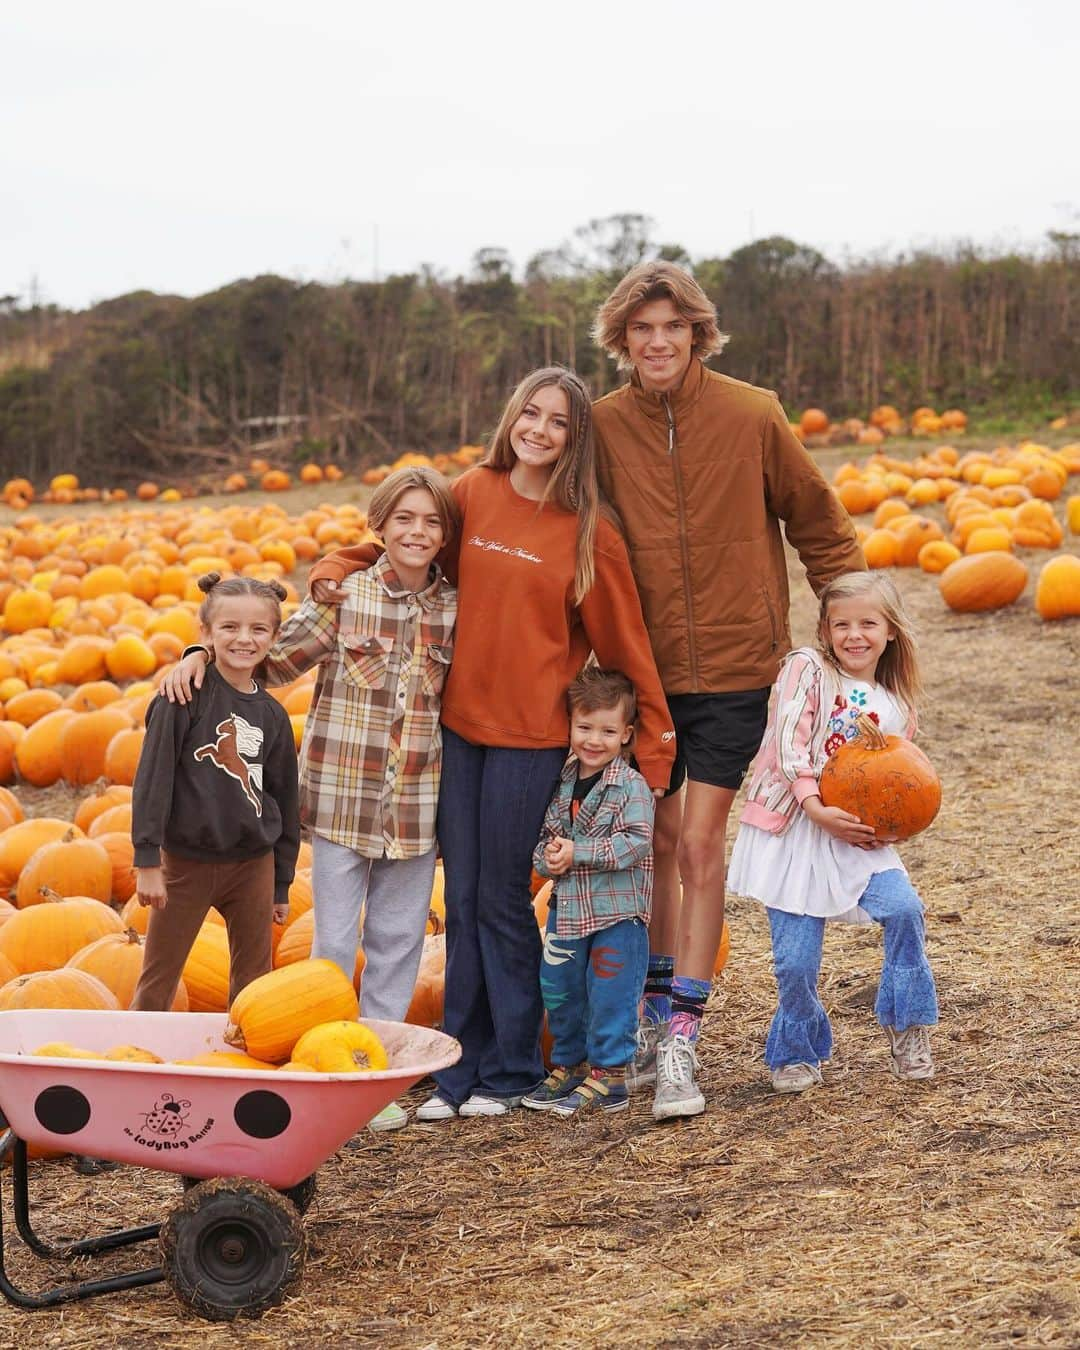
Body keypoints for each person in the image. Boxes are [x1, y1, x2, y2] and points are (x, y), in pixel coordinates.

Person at [306, 367, 676, 1120]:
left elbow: (627, 648)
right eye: (529, 414)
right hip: (454, 733)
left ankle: (507, 1070)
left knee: (504, 899)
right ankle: (455, 1070)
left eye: (557, 423)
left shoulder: (588, 533)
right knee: (464, 895)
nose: (538, 430)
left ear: (576, 441)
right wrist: (334, 568)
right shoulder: (474, 493)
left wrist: (656, 748)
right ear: (512, 416)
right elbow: (399, 551)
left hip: (530, 739)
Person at [590, 261, 866, 1119]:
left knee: (700, 841)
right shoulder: (599, 428)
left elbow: (818, 519)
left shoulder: (753, 414)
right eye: (643, 330)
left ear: (698, 334)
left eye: (674, 328)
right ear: (622, 341)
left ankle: (681, 1041)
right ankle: (645, 1014)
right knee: (658, 844)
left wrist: (853, 626)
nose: (659, 342)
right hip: (645, 672)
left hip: (740, 668)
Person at [159, 466, 459, 1132]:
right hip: (339, 799)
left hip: (415, 801)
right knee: (329, 944)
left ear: (446, 535)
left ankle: (371, 1072)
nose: (416, 532)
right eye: (403, 519)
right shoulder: (345, 594)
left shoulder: (453, 606)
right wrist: (196, 653)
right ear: (379, 526)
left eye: (431, 521)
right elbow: (270, 657)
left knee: (398, 940)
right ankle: (321, 1063)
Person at [727, 571, 939, 1091]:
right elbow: (786, 741)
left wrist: (890, 829)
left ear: (890, 631)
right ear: (825, 630)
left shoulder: (895, 705)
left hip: (855, 841)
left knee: (906, 910)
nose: (854, 635)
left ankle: (907, 1024)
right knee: (796, 962)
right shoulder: (807, 669)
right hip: (795, 833)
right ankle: (796, 1051)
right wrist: (814, 804)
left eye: (868, 623)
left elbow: (893, 784)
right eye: (841, 624)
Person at [130, 573, 299, 1016]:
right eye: (229, 627)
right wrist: (147, 858)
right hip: (187, 863)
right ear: (205, 633)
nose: (244, 639)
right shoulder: (182, 696)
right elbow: (154, 776)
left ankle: (239, 1066)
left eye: (258, 629)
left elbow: (283, 798)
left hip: (253, 865)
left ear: (273, 636)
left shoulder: (273, 715)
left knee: (253, 985)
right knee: (158, 978)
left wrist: (282, 882)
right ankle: (137, 1058)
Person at [523, 667, 653, 1116]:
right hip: (568, 911)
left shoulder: (630, 785)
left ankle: (609, 1075)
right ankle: (569, 1063)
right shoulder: (561, 782)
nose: (594, 740)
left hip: (617, 914)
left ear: (626, 735)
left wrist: (578, 852)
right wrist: (550, 857)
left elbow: (635, 841)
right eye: (584, 728)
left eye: (607, 731)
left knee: (610, 993)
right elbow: (545, 839)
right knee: (559, 989)